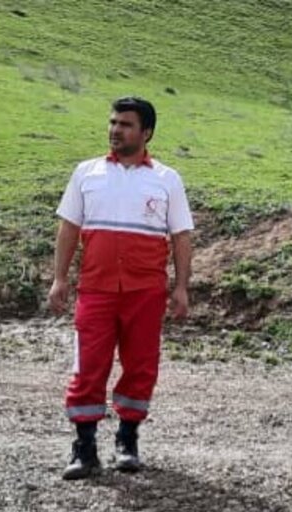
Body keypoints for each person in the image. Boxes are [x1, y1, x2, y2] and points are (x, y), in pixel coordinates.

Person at [47, 96, 194, 480]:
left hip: (145, 293)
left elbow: (181, 236)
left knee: (141, 365)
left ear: (146, 133)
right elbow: (68, 228)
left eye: (126, 125)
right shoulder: (86, 172)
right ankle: (84, 447)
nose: (116, 130)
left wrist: (181, 288)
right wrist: (60, 278)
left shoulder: (166, 179)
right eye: (113, 123)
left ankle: (127, 439)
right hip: (95, 290)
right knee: (89, 366)